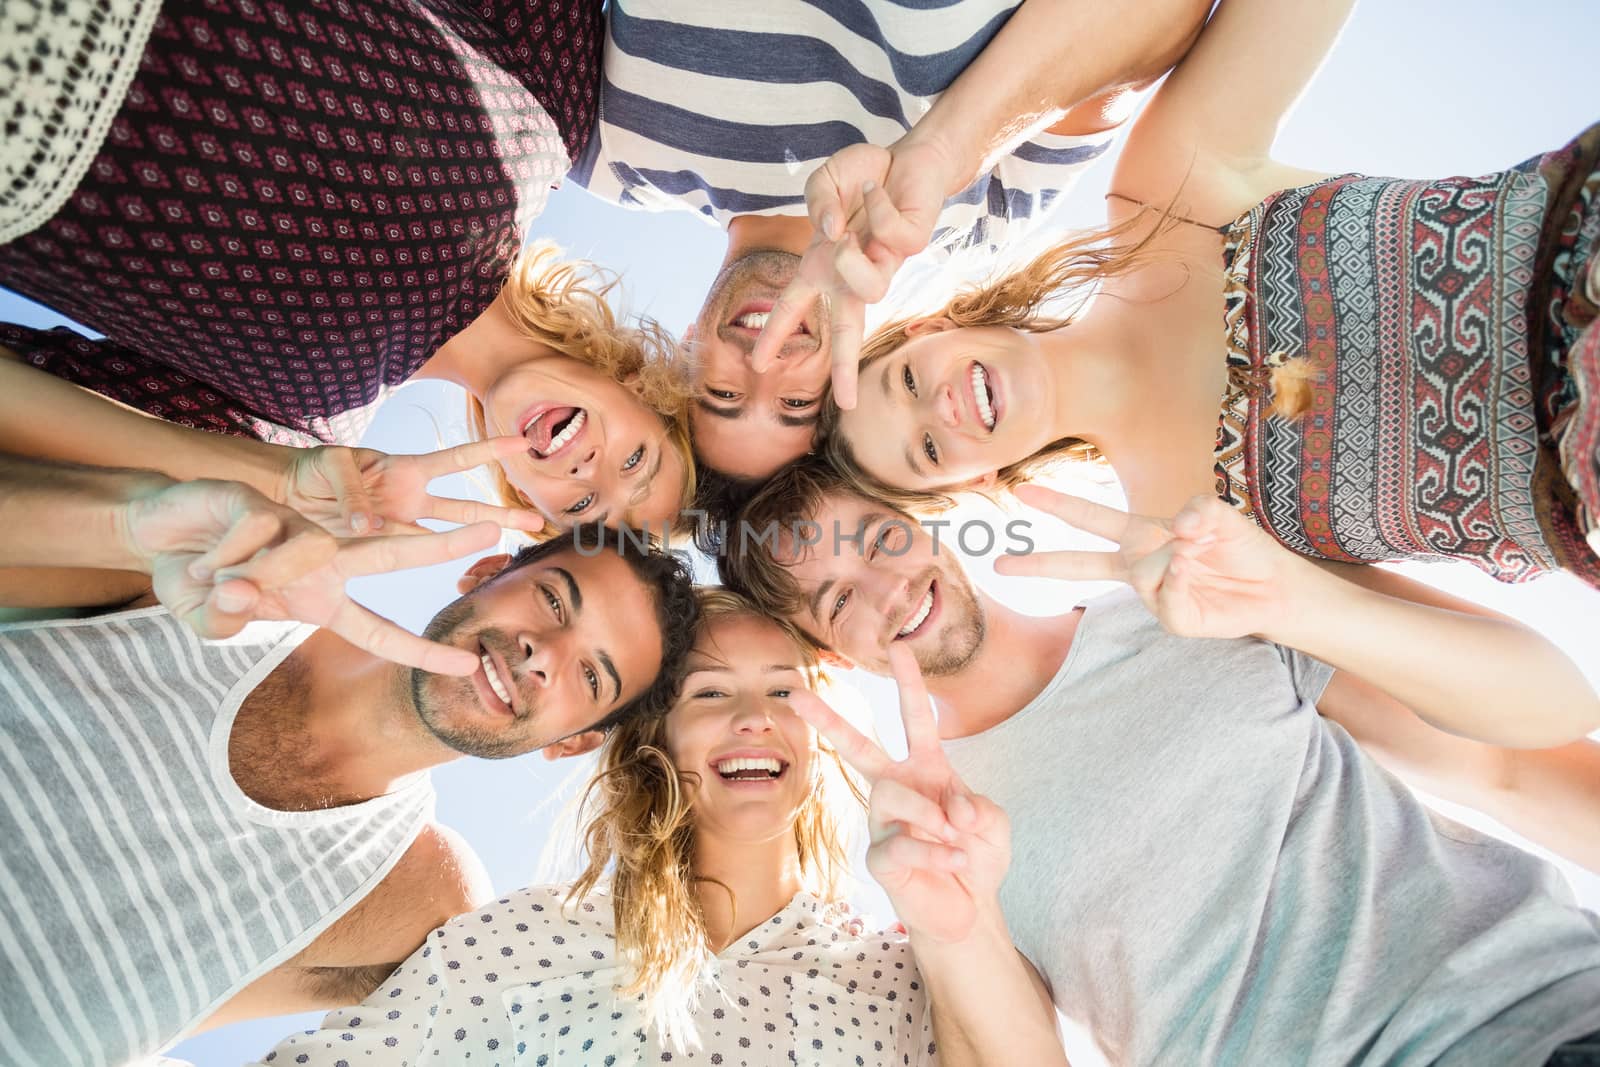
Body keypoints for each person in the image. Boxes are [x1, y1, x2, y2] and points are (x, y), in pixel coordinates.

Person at [719, 457, 1600, 1062]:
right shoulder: (932, 832)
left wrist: (1294, 599)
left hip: (1538, 1010)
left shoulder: (1186, 601)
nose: (887, 590)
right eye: (839, 600)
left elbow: (1511, 764)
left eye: (879, 541)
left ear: (925, 523)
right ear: (829, 653)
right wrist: (960, 922)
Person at [816, 0, 1600, 589]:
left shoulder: (1163, 196)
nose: (940, 408)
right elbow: (1539, 717)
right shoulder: (1183, 544)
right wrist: (1284, 606)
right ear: (971, 483)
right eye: (926, 451)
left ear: (933, 323)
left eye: (908, 379)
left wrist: (944, 145)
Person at [0, 452, 698, 1066]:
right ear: (484, 572)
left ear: (570, 740)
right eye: (552, 599)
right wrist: (133, 523)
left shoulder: (421, 904)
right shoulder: (227, 575)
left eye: (591, 677)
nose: (543, 653)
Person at [0, 1, 696, 534]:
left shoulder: (295, 440)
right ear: (644, 387)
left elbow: (34, 410)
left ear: (525, 496)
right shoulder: (548, 103)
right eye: (637, 461)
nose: (589, 472)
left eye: (582, 505)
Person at [248, 590, 992, 1065]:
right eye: (709, 691)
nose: (754, 716)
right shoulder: (518, 939)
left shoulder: (899, 974)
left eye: (783, 690)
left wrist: (963, 916)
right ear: (655, 741)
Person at [568, 0, 1210, 482]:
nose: (763, 362)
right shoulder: (984, 211)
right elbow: (1168, 13)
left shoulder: (608, 150)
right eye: (796, 402)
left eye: (725, 394)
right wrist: (947, 146)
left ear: (682, 350)